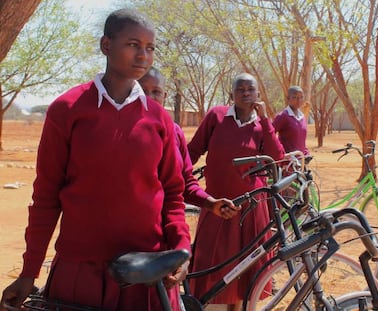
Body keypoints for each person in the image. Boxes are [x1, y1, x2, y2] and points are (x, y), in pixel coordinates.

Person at [0, 9, 190, 311]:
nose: (143, 55)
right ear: (106, 45)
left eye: (150, 48)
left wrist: (181, 248)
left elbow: (173, 195)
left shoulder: (159, 120)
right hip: (80, 273)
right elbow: (46, 197)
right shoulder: (68, 109)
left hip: (144, 275)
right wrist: (28, 272)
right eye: (133, 44)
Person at [187, 73, 285, 311]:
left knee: (249, 263)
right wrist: (177, 175)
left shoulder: (262, 126)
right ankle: (211, 306)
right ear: (232, 94)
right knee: (213, 259)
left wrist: (265, 121)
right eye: (239, 89)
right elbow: (193, 150)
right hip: (217, 203)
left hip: (252, 206)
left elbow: (277, 158)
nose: (245, 93)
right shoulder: (216, 116)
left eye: (250, 89)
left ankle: (243, 306)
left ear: (258, 95)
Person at [138, 67, 237, 221]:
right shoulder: (119, 131)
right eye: (142, 90)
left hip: (167, 224)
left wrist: (211, 204)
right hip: (130, 227)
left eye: (156, 92)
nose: (149, 97)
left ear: (164, 96)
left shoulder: (175, 132)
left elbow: (185, 182)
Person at [272, 85, 310, 156]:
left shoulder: (302, 117)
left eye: (301, 97)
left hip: (301, 161)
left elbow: (300, 140)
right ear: (288, 98)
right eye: (295, 97)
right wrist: (279, 152)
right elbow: (269, 135)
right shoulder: (283, 116)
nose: (299, 100)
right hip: (287, 162)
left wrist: (306, 152)